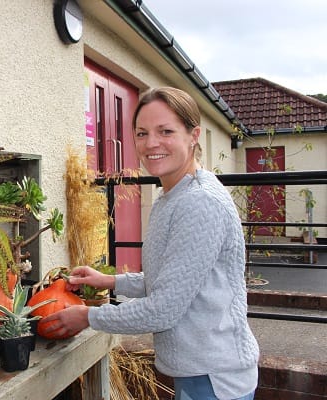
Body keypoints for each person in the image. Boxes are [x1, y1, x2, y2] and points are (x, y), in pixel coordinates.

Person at [41, 87, 259, 399]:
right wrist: (109, 280)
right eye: (142, 133)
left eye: (165, 131)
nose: (151, 143)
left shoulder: (200, 203)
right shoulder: (171, 195)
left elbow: (162, 310)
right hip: (198, 369)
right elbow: (170, 281)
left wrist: (87, 317)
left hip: (215, 378)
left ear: (193, 135)